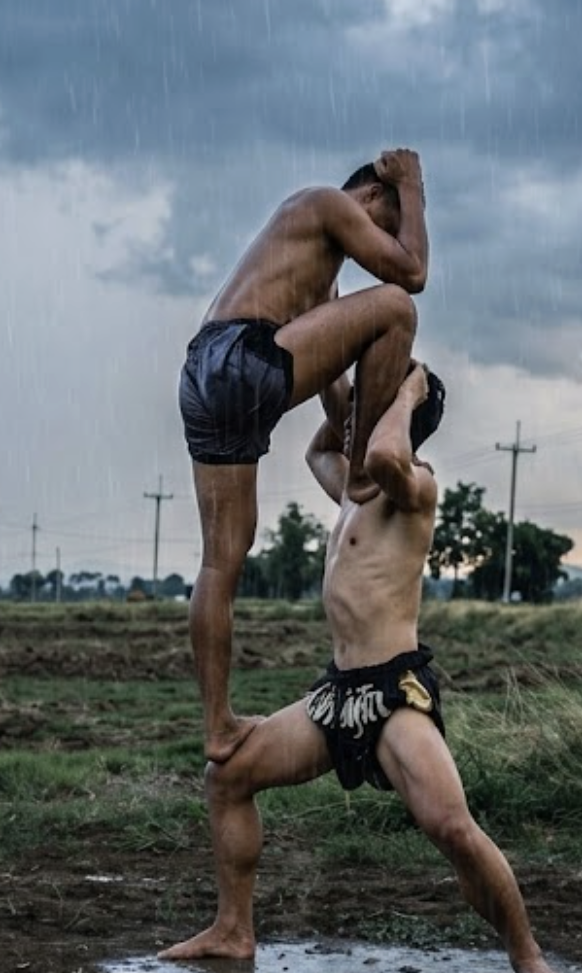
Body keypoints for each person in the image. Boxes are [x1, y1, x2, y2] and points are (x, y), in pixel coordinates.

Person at [159, 364, 567, 973]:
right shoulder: (354, 489)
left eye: (372, 408)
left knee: (453, 829)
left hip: (394, 692)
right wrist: (339, 372)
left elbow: (379, 453)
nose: (358, 419)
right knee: (228, 776)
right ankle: (233, 928)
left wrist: (405, 390)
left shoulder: (414, 485)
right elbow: (323, 447)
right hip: (337, 695)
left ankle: (530, 958)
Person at [179, 149, 429, 765]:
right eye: (388, 222)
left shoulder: (316, 273)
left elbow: (334, 392)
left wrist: (353, 428)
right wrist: (414, 185)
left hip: (207, 373)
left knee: (222, 561)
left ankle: (218, 727)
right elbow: (411, 274)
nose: (385, 241)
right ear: (370, 197)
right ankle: (369, 473)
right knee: (398, 307)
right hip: (245, 355)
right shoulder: (327, 202)